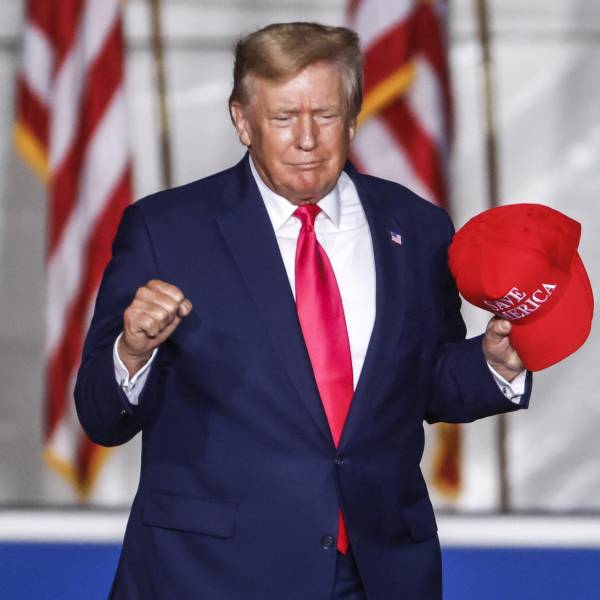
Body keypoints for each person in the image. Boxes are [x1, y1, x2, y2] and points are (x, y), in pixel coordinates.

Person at [75, 22, 531, 600]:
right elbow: (100, 416)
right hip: (210, 574)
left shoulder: (417, 226)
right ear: (243, 121)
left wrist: (494, 364)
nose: (308, 139)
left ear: (353, 117)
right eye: (284, 117)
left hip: (377, 572)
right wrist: (132, 352)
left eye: (326, 115)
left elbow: (426, 385)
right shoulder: (166, 230)